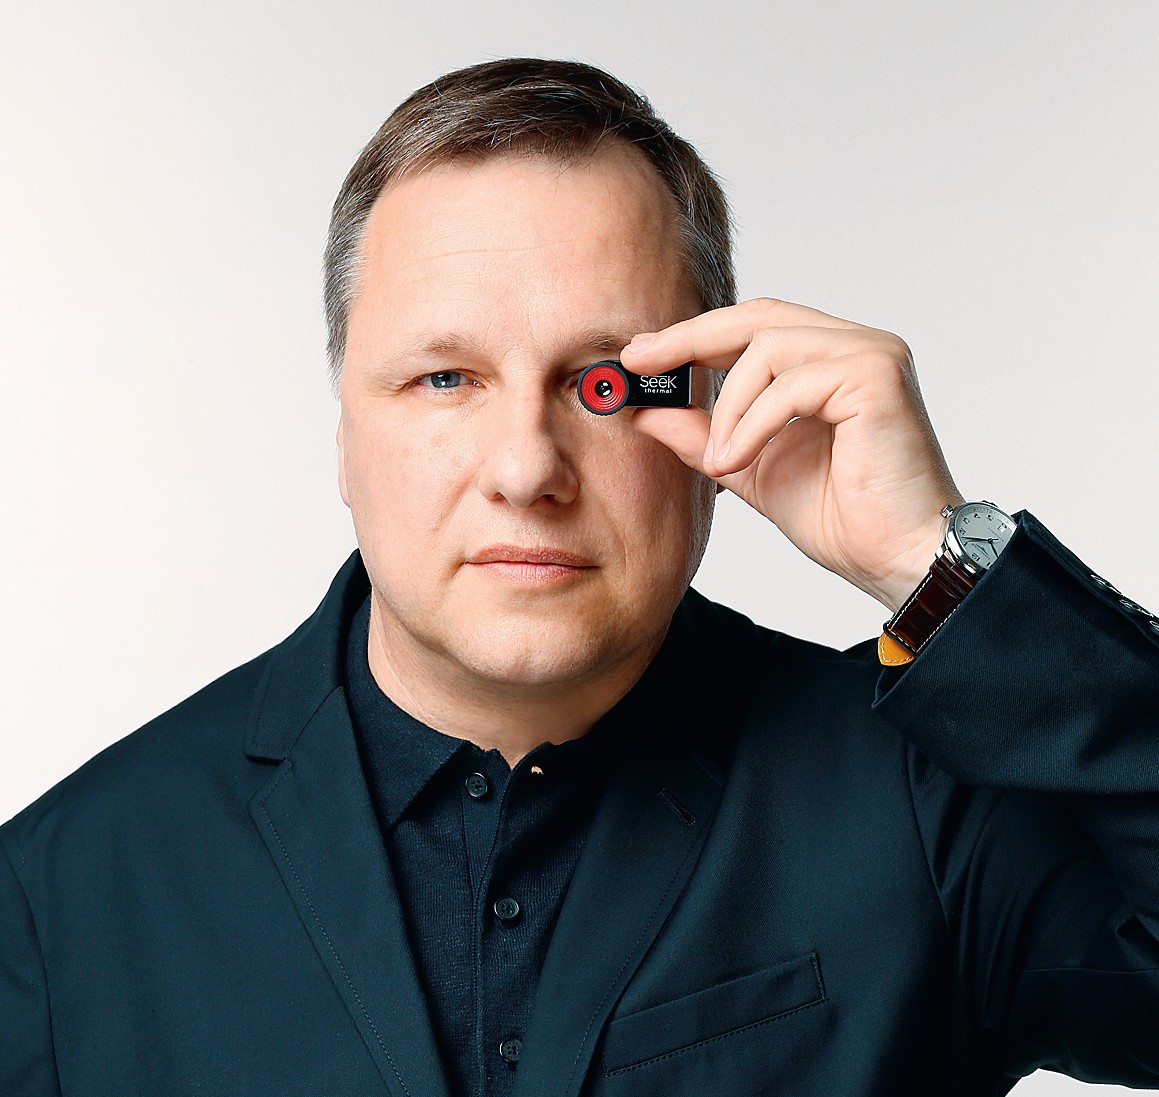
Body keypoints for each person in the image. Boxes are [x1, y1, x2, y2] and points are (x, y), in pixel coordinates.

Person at [2, 57, 1157, 1097]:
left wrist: (935, 561)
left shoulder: (917, 805)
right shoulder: (59, 896)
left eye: (603, 384)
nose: (526, 469)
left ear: (714, 414)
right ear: (343, 434)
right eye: (446, 379)